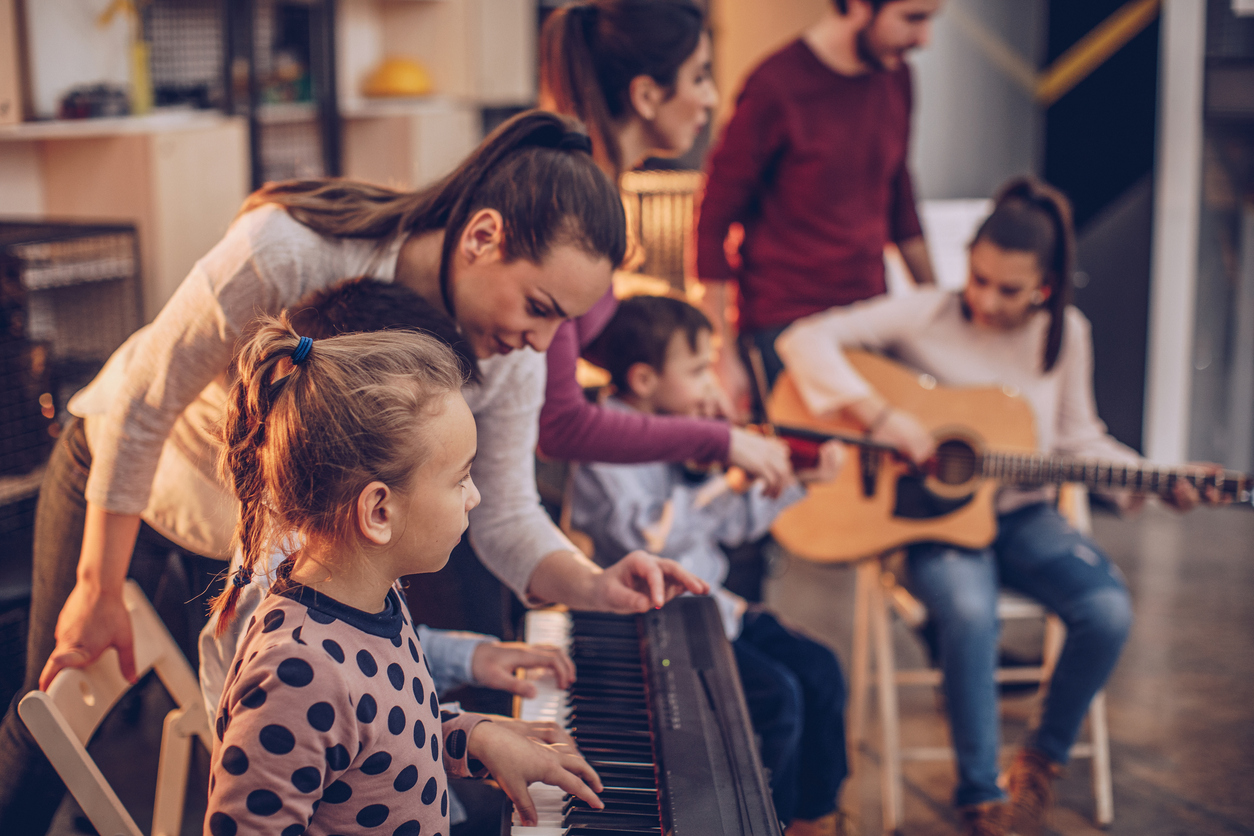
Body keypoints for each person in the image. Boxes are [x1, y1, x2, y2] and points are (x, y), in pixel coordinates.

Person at [0, 111, 706, 835]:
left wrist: (592, 584)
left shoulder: (511, 357)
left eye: (563, 326)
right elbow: (143, 406)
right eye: (538, 308)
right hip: (135, 466)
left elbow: (506, 513)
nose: (541, 343)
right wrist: (98, 587)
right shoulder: (288, 250)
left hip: (273, 520)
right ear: (482, 237)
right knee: (57, 710)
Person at [775, 176, 1215, 836]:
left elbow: (1078, 439)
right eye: (977, 278)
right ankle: (979, 796)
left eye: (1009, 290)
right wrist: (885, 419)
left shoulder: (1066, 334)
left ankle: (1039, 763)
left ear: (1046, 284)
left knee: (1106, 610)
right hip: (930, 522)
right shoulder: (925, 312)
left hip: (1023, 516)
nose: (984, 299)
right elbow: (802, 340)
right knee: (969, 612)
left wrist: (1155, 479)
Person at [205, 317, 605, 835]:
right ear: (379, 512)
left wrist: (473, 737)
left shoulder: (373, 600)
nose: (475, 496)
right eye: (461, 478)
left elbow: (383, 731)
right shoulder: (297, 672)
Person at [568, 294, 850, 836]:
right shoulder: (605, 442)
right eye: (698, 370)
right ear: (644, 379)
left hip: (716, 605)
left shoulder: (684, 431)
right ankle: (768, 822)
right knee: (777, 699)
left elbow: (733, 527)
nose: (711, 386)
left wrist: (793, 482)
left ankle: (814, 818)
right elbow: (648, 537)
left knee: (821, 670)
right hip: (659, 616)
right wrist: (726, 472)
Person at [537, 0, 794, 492]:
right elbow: (561, 425)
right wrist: (719, 442)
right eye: (699, 77)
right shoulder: (569, 206)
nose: (711, 98)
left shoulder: (600, 192)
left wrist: (687, 383)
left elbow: (583, 339)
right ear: (647, 95)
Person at [695, 0, 942, 418]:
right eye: (913, 18)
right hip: (784, 327)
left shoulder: (897, 77)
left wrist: (942, 311)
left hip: (867, 319)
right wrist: (722, 354)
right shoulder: (775, 85)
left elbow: (901, 204)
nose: (924, 39)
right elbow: (713, 221)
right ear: (858, 6)